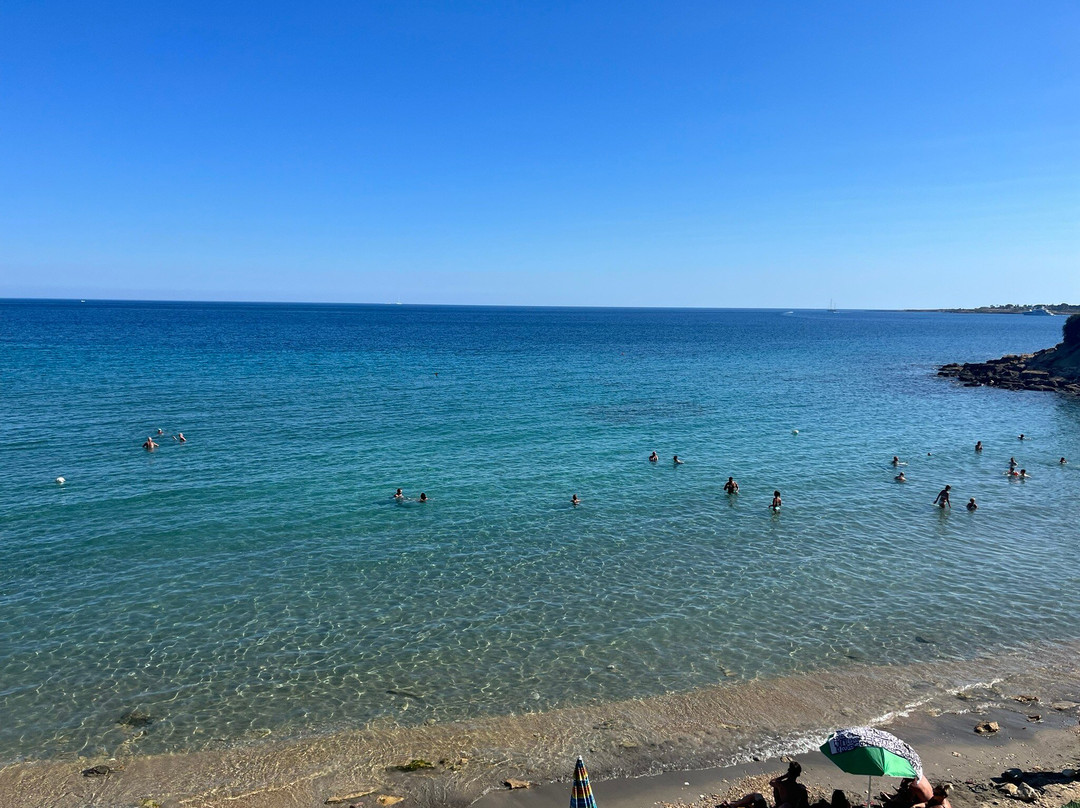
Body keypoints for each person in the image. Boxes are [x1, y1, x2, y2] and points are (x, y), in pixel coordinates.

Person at [719, 761, 808, 808]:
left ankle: (734, 805)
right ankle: (734, 805)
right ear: (798, 774)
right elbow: (805, 805)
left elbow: (771, 782)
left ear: (788, 772)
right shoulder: (801, 789)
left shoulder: (781, 785)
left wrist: (784, 776)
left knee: (756, 795)